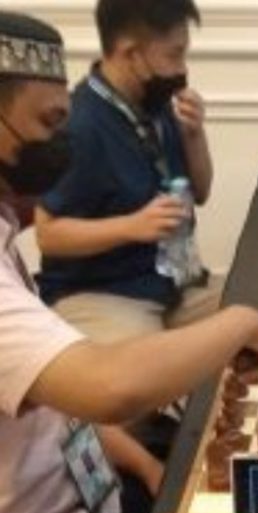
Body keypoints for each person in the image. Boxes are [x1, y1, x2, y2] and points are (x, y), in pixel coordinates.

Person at [0, 12, 258, 513]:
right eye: (47, 124)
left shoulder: (156, 112)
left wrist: (146, 466)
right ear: (131, 52)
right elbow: (108, 386)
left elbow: (59, 415)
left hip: (91, 483)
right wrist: (240, 321)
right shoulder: (91, 125)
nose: (59, 144)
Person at [35, 0, 218, 350]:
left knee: (254, 314)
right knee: (151, 367)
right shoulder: (80, 126)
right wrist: (132, 226)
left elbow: (201, 191)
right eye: (174, 55)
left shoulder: (156, 104)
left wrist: (194, 135)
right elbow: (49, 234)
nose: (182, 69)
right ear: (131, 54)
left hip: (173, 284)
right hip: (103, 293)